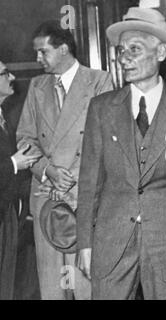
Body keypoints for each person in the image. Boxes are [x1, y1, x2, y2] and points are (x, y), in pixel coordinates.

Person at [76, 6, 166, 300]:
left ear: (161, 52)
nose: (124, 57)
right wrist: (84, 243)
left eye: (135, 49)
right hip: (110, 242)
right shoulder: (101, 108)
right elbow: (90, 182)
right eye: (121, 50)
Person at [16, 20, 113, 300]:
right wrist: (48, 171)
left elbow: (106, 140)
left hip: (84, 195)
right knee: (53, 286)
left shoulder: (99, 80)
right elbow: (25, 139)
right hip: (47, 196)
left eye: (42, 52)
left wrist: (67, 178)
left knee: (85, 284)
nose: (37, 59)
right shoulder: (37, 87)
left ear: (63, 49)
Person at [0, 61, 40, 299]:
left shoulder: (5, 115)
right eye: (5, 73)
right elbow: (12, 163)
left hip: (9, 213)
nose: (12, 76)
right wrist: (14, 164)